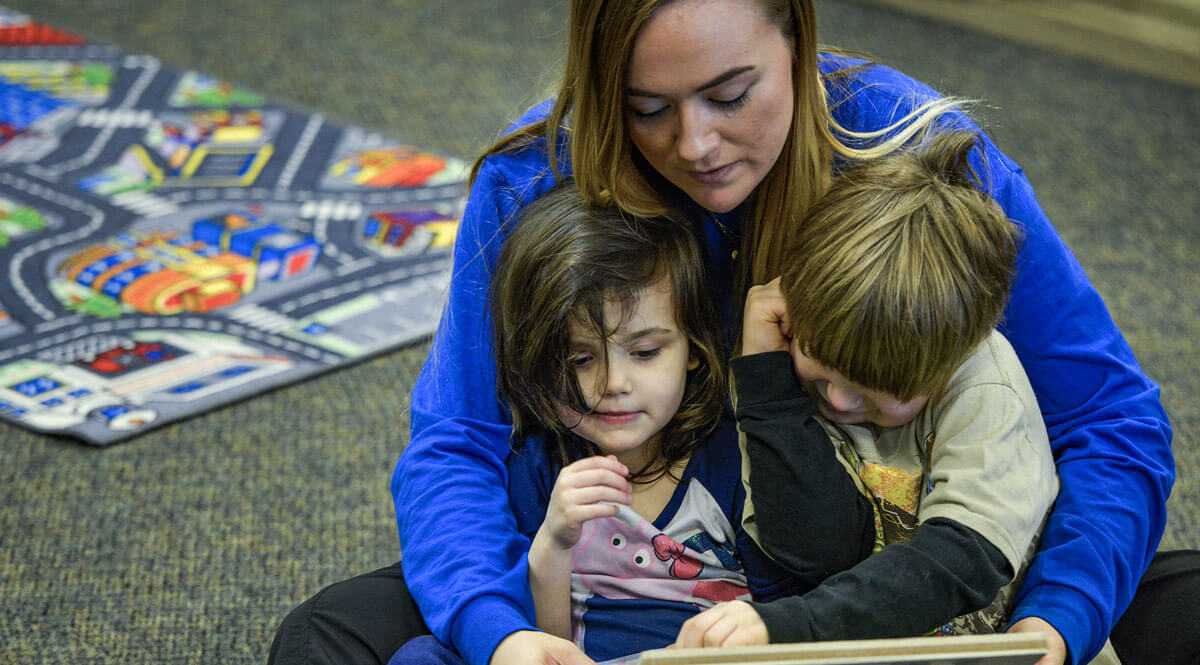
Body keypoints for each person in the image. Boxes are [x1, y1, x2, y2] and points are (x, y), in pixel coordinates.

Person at [269, 2, 1188, 665]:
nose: (696, 144)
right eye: (647, 107)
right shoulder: (529, 179)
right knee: (326, 638)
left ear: (799, 39)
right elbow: (457, 444)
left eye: (730, 92)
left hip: (883, 562)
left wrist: (1058, 620)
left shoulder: (922, 159)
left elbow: (1110, 422)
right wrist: (502, 633)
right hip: (624, 566)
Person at [388, 181, 836, 664]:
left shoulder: (734, 461)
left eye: (645, 352)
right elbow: (544, 638)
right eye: (579, 359)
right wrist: (555, 541)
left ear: (693, 348)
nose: (612, 383)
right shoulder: (541, 466)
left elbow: (784, 618)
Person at [681, 129, 1066, 648]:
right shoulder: (788, 356)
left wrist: (793, 626)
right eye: (817, 357)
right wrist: (767, 379)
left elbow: (959, 565)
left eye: (876, 390)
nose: (837, 401)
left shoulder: (985, 384)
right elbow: (817, 547)